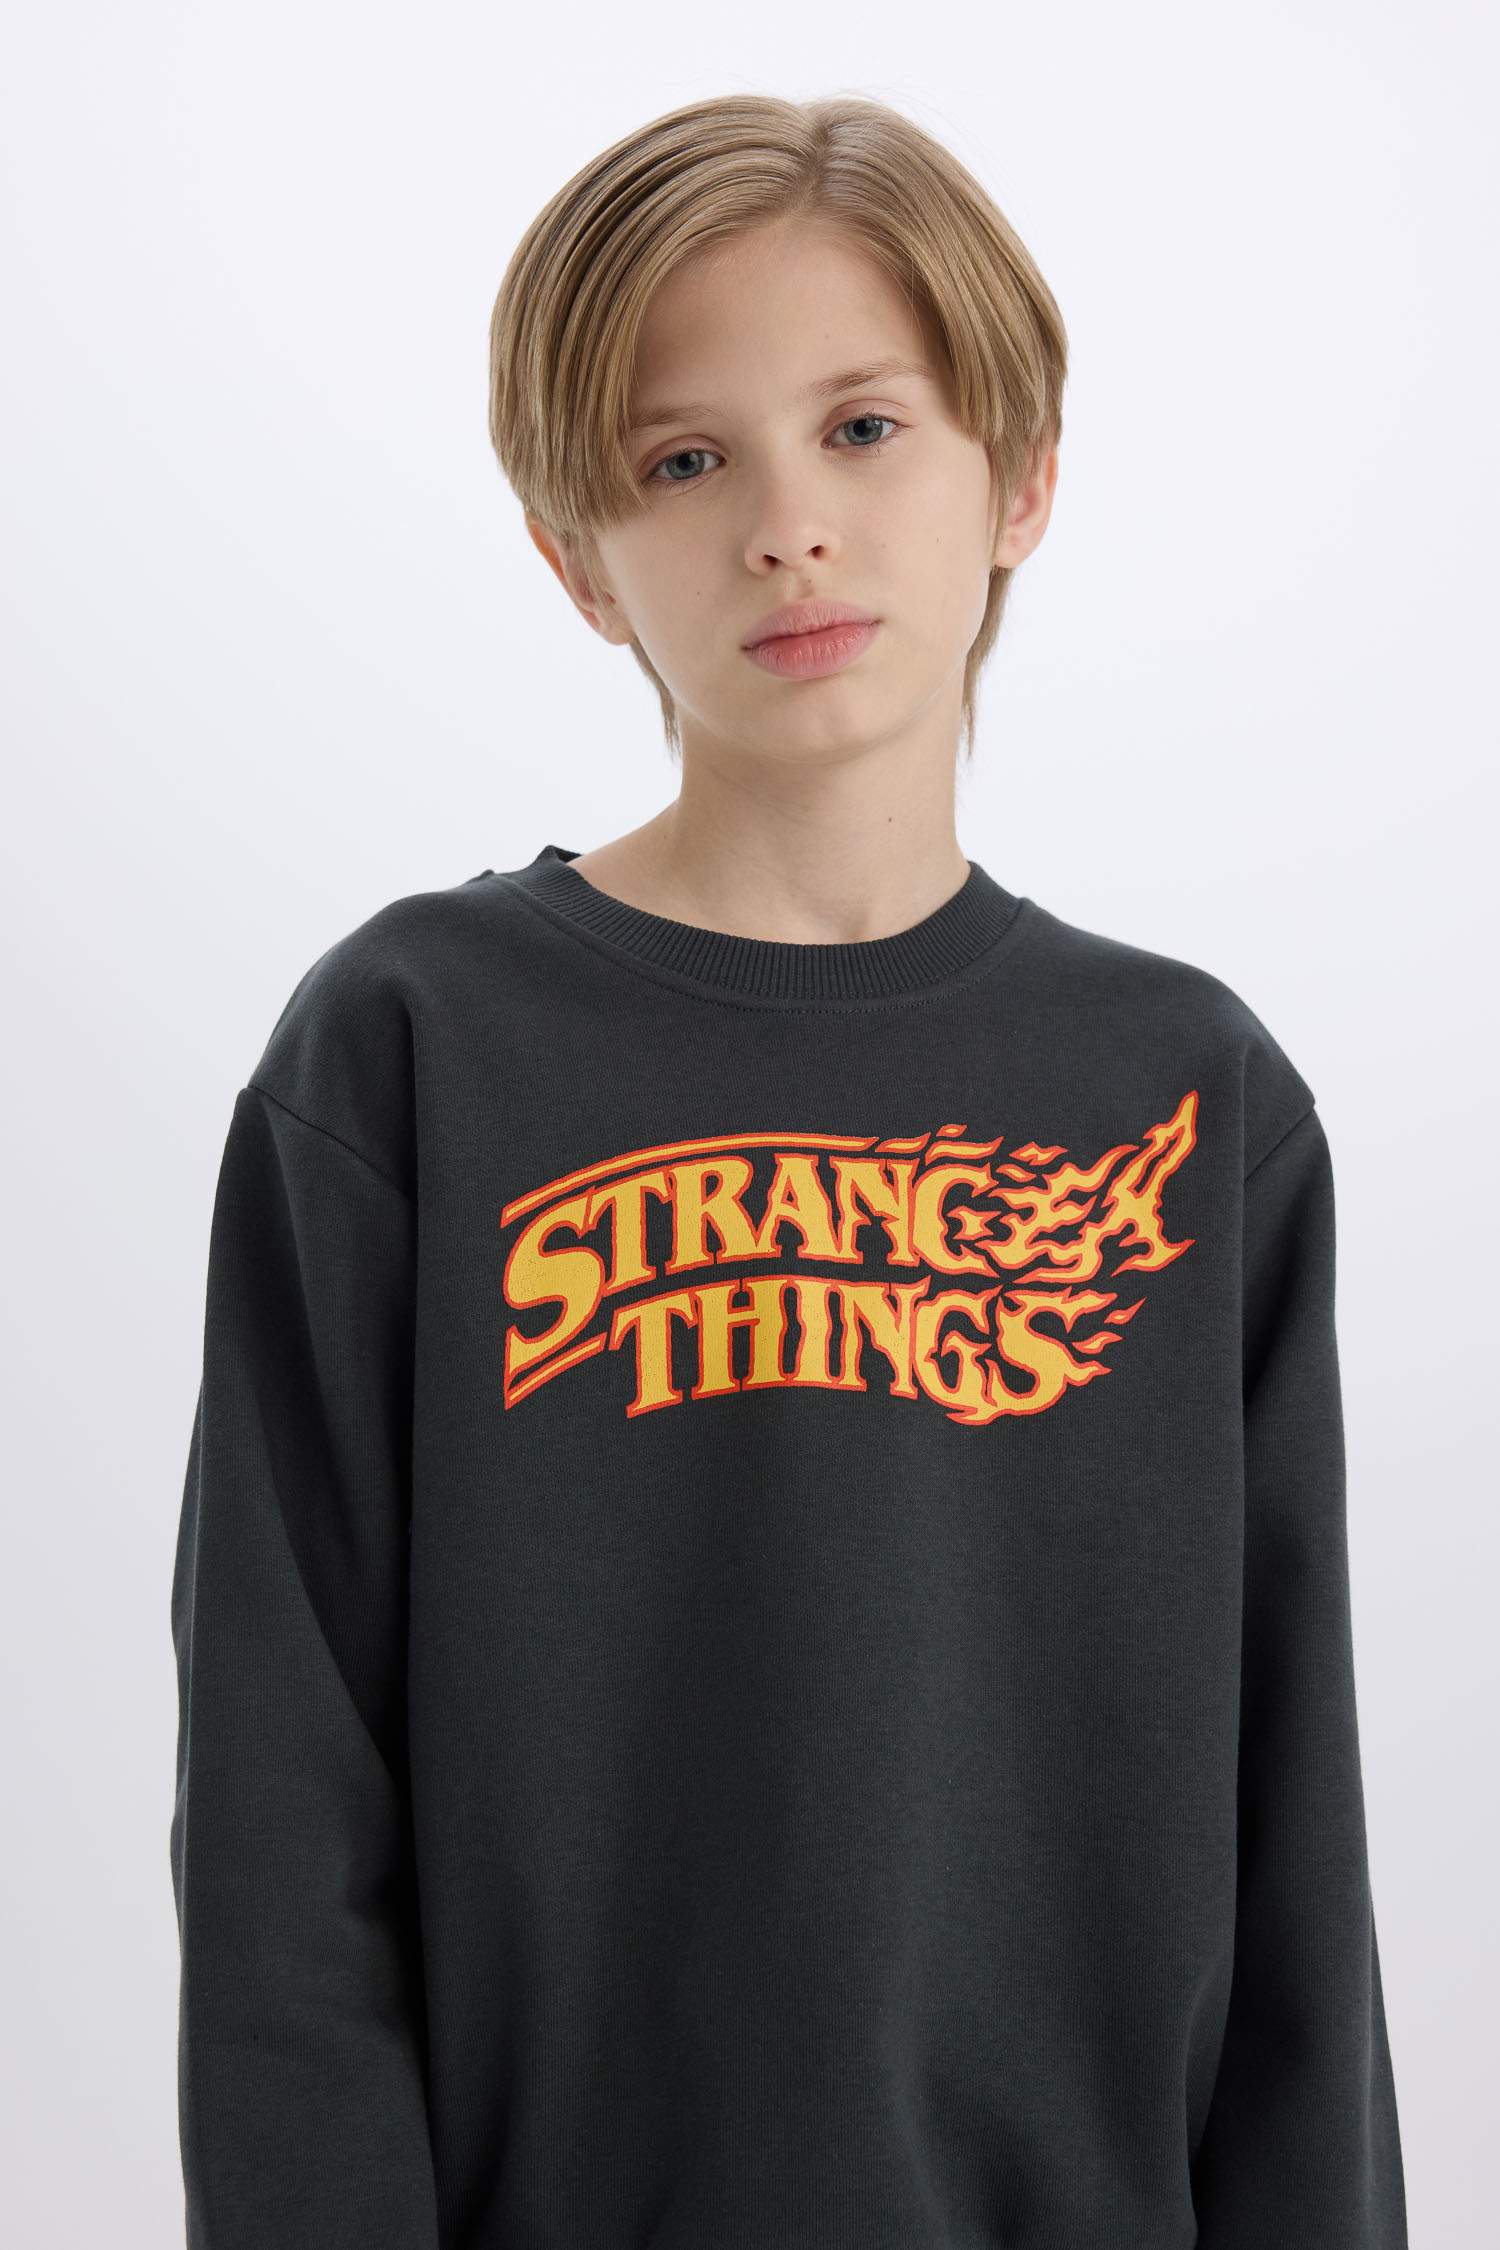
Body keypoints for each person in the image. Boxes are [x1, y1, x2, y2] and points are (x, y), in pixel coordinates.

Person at [169, 91, 1408, 2248]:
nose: (787, 528)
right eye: (684, 460)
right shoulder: (412, 1054)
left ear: (1021, 474)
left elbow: (1296, 1854)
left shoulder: (1190, 1103)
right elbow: (284, 1830)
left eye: (863, 428)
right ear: (577, 559)